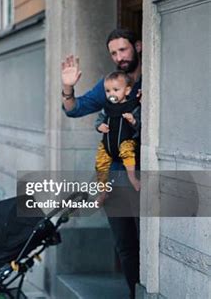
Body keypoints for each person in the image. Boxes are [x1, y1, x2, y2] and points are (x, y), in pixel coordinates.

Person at [61, 29, 141, 298]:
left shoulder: (151, 80)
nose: (120, 57)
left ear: (138, 46)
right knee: (126, 245)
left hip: (144, 174)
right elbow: (74, 108)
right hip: (116, 175)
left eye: (123, 50)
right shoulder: (110, 84)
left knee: (148, 244)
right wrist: (68, 87)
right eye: (114, 53)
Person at [95, 71, 141, 205]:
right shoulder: (107, 108)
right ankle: (103, 192)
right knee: (100, 163)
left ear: (127, 91)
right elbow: (98, 121)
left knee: (128, 153)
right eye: (108, 91)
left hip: (125, 141)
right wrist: (100, 127)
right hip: (108, 143)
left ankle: (133, 178)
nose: (111, 94)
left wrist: (133, 121)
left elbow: (140, 125)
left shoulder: (132, 106)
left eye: (116, 90)